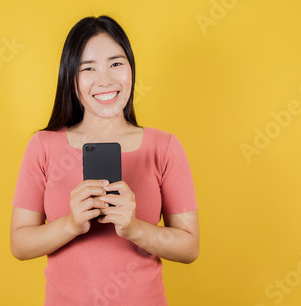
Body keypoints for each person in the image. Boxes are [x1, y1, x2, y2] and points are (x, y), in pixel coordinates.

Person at [10, 15, 199, 306]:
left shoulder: (165, 147)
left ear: (131, 70)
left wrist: (134, 228)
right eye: (88, 68)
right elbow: (20, 243)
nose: (105, 80)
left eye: (116, 63)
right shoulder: (43, 147)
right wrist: (72, 224)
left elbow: (189, 247)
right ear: (72, 80)